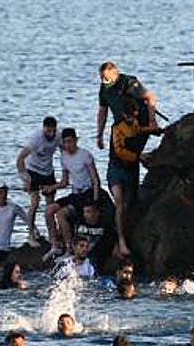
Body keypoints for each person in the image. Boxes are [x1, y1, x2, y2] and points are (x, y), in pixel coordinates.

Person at [106, 108, 162, 259]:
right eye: (130, 116)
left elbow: (140, 130)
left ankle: (124, 238)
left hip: (131, 171)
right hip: (116, 170)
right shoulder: (116, 128)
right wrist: (139, 156)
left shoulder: (135, 124)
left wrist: (156, 131)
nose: (133, 118)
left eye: (135, 116)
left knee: (130, 205)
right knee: (120, 204)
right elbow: (120, 151)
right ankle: (120, 241)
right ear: (124, 115)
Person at [46, 127, 104, 258]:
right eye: (65, 142)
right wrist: (51, 188)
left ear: (76, 140)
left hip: (87, 192)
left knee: (61, 214)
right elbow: (65, 182)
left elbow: (96, 180)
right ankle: (55, 245)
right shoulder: (64, 157)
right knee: (49, 210)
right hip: (75, 193)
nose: (68, 145)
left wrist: (95, 200)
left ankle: (69, 248)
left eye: (70, 141)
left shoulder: (85, 155)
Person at [15, 116, 60, 247]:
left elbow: (64, 149)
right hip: (33, 170)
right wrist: (25, 179)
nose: (51, 134)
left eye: (53, 131)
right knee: (35, 203)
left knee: (51, 205)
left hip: (48, 171)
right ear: (44, 128)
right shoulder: (35, 139)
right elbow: (20, 159)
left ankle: (52, 236)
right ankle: (31, 234)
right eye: (48, 131)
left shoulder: (58, 135)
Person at [97, 62, 157, 148]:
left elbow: (150, 98)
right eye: (102, 78)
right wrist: (100, 135)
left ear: (115, 73)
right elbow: (102, 112)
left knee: (129, 155)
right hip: (120, 125)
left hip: (138, 123)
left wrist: (152, 121)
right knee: (115, 156)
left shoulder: (129, 83)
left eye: (107, 78)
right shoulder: (104, 88)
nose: (105, 82)